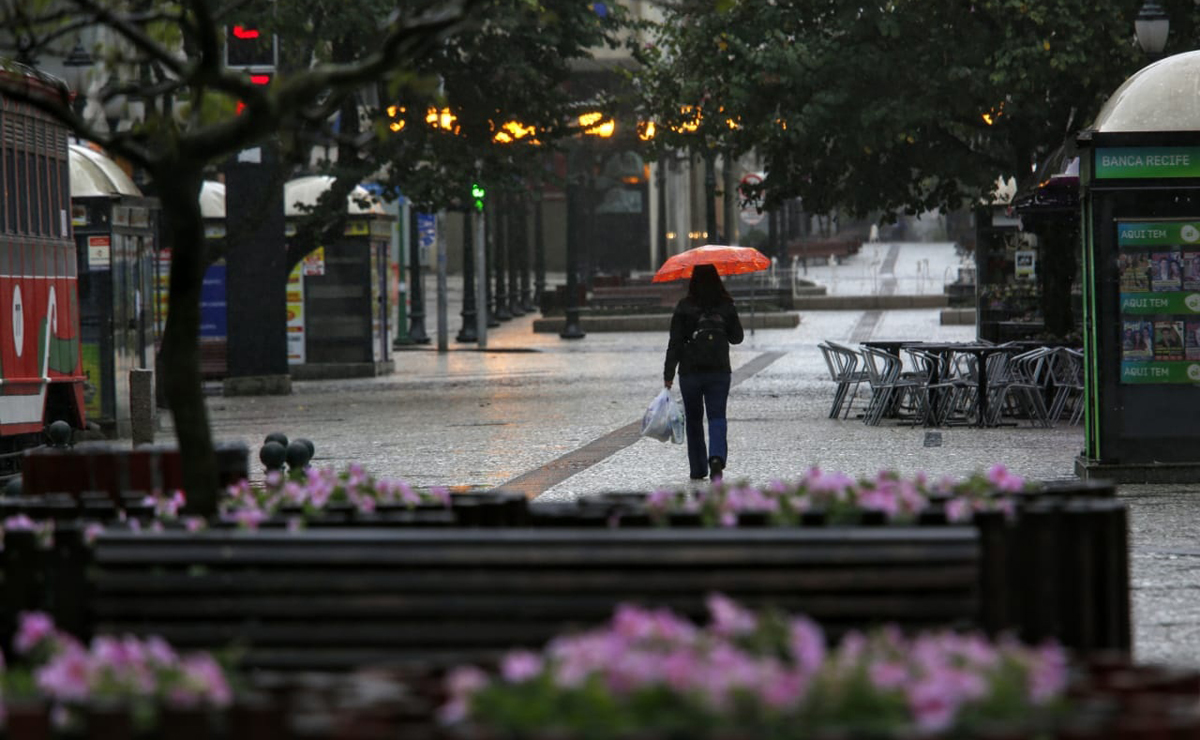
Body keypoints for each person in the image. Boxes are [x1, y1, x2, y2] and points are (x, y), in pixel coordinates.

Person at [663, 264, 744, 482]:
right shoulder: (725, 305)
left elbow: (675, 343)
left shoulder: (684, 306)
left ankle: (698, 468)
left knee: (694, 419)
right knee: (717, 416)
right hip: (719, 371)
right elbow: (737, 338)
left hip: (690, 372)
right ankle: (716, 456)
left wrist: (668, 373)